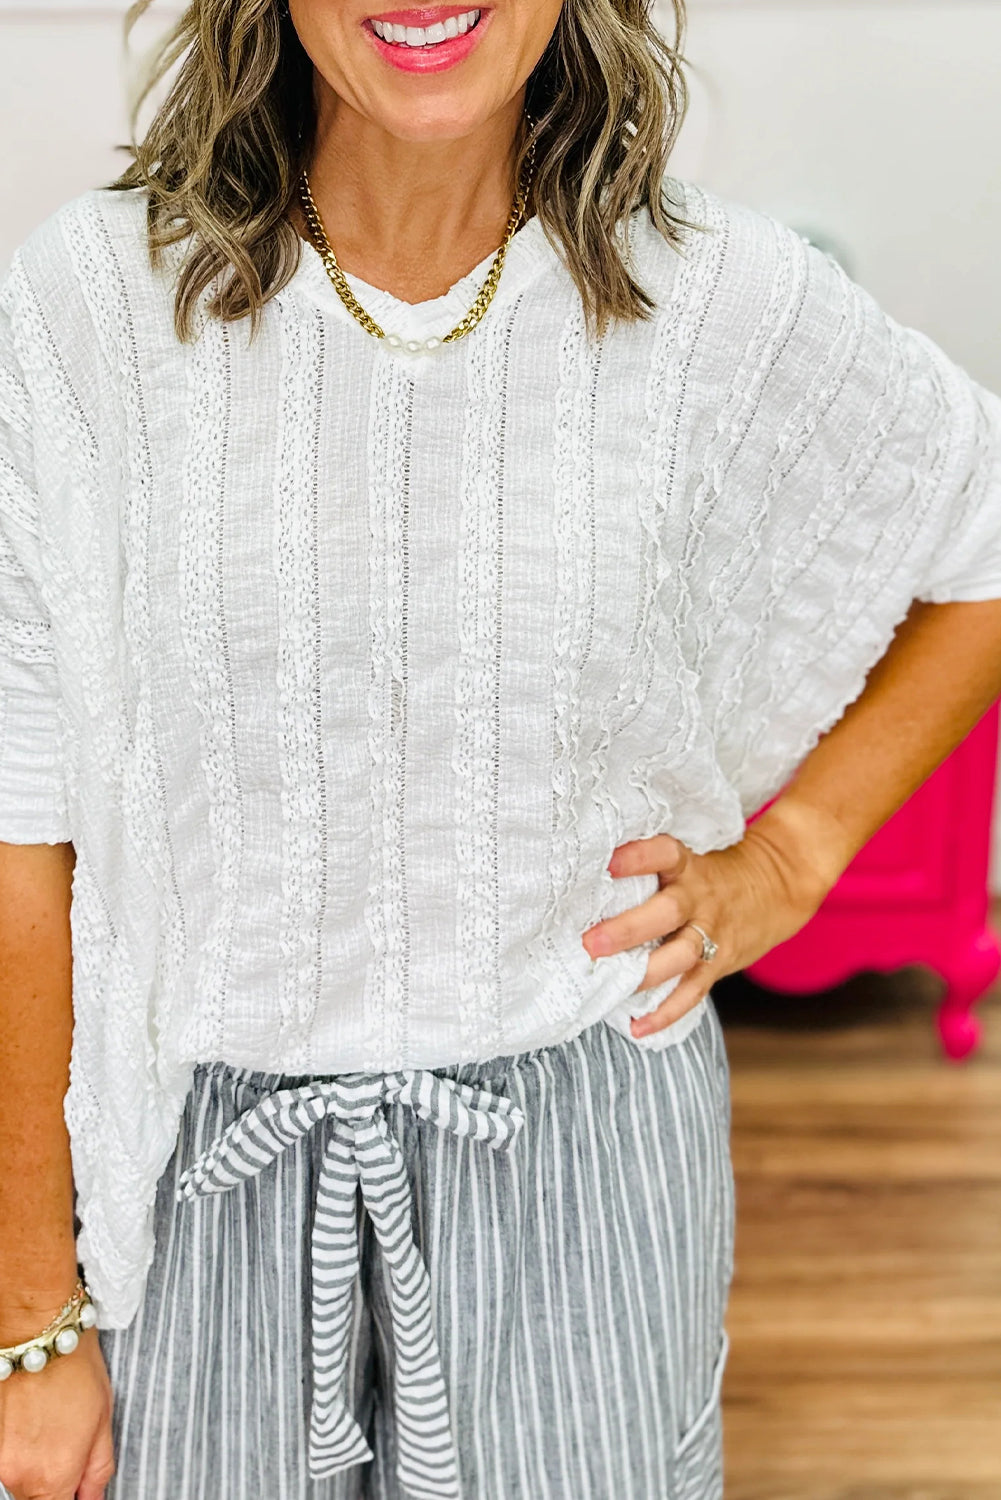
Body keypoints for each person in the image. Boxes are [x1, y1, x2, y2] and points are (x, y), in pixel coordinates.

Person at [2, 0, 1001, 1496]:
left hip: (584, 1172)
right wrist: (29, 1313)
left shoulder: (710, 298)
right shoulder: (90, 308)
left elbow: (975, 532)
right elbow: (24, 836)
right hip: (195, 1183)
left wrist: (793, 857)